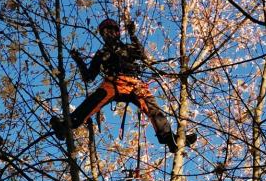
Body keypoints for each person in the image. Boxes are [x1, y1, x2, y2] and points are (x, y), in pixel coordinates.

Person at [50, 18, 196, 153]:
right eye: (105, 32)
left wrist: (132, 34)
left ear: (118, 32)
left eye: (111, 30)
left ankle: (171, 140)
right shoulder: (101, 53)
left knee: (153, 108)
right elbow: (89, 77)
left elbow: (141, 55)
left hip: (134, 83)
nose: (108, 34)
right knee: (93, 101)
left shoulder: (127, 48)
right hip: (113, 82)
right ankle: (66, 124)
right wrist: (79, 61)